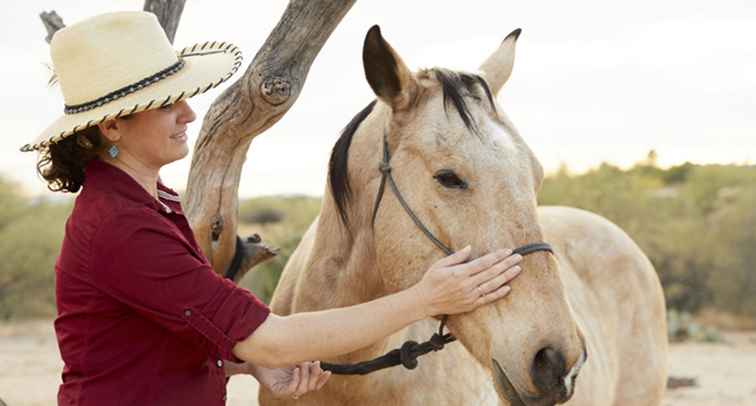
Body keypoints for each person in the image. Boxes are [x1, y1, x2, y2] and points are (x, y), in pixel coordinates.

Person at [22, 11, 524, 406]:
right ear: (111, 127)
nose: (189, 113)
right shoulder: (119, 225)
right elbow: (273, 337)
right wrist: (427, 298)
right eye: (168, 102)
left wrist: (245, 364)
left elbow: (158, 336)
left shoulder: (154, 201)